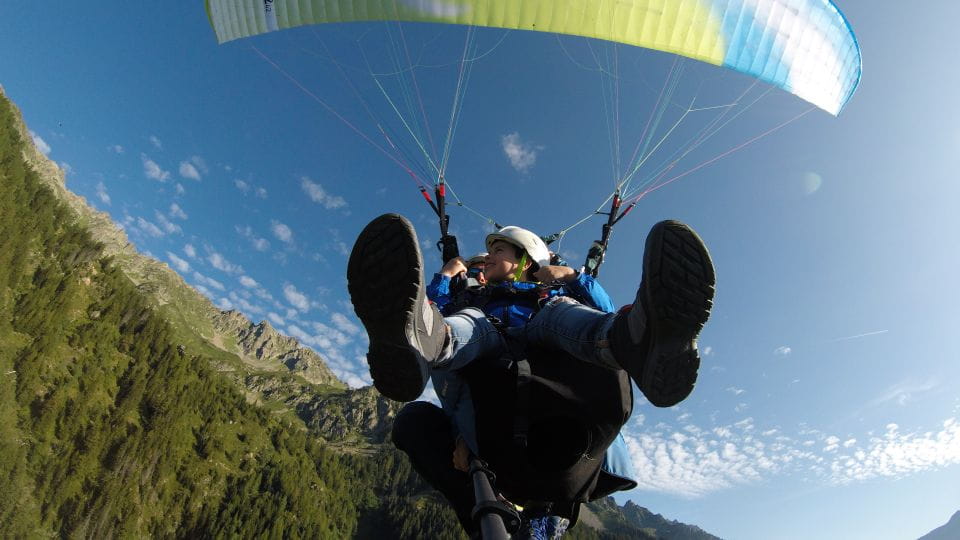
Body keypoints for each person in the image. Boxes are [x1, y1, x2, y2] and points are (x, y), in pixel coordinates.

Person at [348, 213, 715, 533]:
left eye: (497, 253)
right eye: (483, 259)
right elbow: (431, 307)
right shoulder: (474, 299)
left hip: (546, 330)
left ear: (524, 260)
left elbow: (599, 307)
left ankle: (636, 342)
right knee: (466, 324)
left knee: (564, 312)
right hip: (487, 336)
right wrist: (446, 276)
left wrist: (572, 276)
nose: (486, 260)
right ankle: (421, 345)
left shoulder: (549, 293)